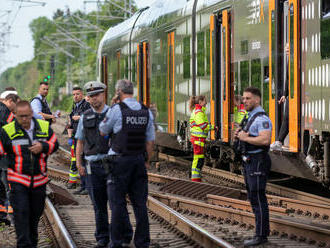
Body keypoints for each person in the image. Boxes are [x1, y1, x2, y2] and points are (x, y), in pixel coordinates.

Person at [99, 79, 155, 248]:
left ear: (119, 92)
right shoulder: (146, 112)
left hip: (119, 162)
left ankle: (116, 242)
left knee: (117, 203)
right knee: (140, 204)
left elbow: (102, 131)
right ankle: (142, 242)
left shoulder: (116, 110)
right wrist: (146, 161)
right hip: (138, 161)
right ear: (133, 91)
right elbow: (150, 142)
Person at [0, 101, 58, 247]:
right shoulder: (8, 130)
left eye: (26, 116)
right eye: (20, 117)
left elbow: (54, 144)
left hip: (39, 181)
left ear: (32, 114)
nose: (24, 120)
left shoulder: (43, 128)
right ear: (15, 116)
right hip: (18, 180)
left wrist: (43, 146)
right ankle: (24, 244)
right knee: (21, 215)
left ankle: (32, 242)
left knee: (34, 218)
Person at [234, 87, 272, 247]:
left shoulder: (262, 118)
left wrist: (245, 138)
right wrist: (240, 135)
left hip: (258, 160)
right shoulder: (250, 117)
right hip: (250, 161)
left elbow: (265, 140)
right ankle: (260, 233)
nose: (244, 101)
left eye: (248, 98)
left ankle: (261, 235)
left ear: (256, 99)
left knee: (258, 197)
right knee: (253, 197)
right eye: (244, 98)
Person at [75, 81, 110, 248]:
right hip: (92, 166)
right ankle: (103, 238)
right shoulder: (85, 117)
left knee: (118, 204)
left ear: (103, 94)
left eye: (96, 95)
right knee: (98, 205)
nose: (93, 98)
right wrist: (79, 164)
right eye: (91, 96)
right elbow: (80, 142)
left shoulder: (113, 114)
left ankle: (121, 236)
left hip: (112, 165)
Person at [0, 94, 20, 226]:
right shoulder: (6, 113)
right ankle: (13, 217)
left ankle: (2, 215)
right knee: (10, 187)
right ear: (10, 101)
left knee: (2, 187)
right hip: (5, 156)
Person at [67, 86, 91, 193]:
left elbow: (90, 117)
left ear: (82, 94)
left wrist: (80, 117)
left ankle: (88, 186)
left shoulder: (86, 105)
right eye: (74, 94)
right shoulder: (75, 107)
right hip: (77, 137)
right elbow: (71, 123)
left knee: (86, 161)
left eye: (77, 94)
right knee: (79, 161)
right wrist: (70, 131)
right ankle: (83, 185)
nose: (75, 96)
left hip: (85, 138)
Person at [189, 95, 212, 182]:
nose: (206, 102)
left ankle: (196, 178)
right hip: (198, 140)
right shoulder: (198, 112)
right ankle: (195, 179)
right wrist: (214, 127)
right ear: (200, 102)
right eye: (205, 101)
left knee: (199, 159)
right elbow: (203, 126)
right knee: (198, 159)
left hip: (199, 140)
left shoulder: (198, 111)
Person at [270, 43, 290, 150]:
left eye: (288, 49)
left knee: (287, 117)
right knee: (287, 117)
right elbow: (288, 79)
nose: (286, 51)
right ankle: (279, 141)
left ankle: (279, 141)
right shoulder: (290, 60)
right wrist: (285, 94)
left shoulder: (295, 59)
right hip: (292, 95)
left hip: (297, 95)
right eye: (286, 49)